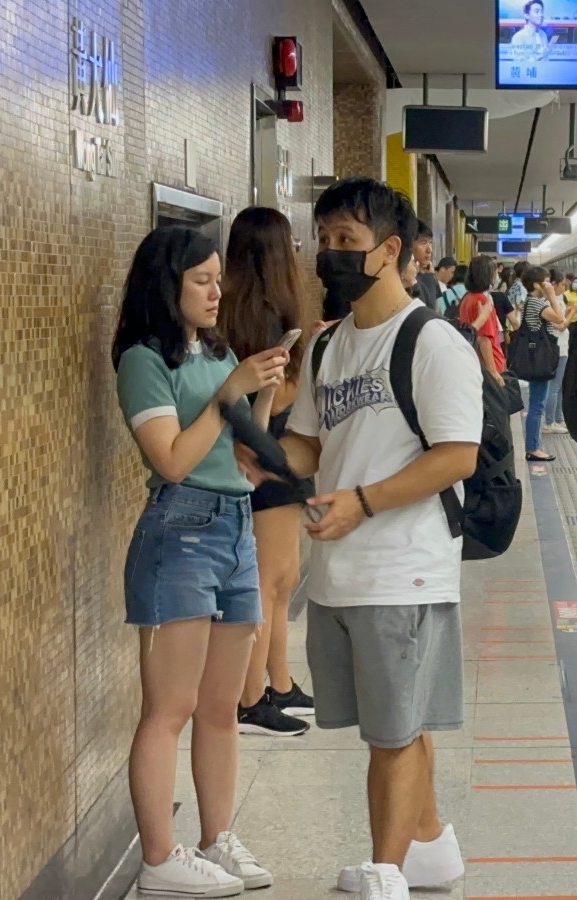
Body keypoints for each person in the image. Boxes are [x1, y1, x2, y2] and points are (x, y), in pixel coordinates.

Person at [271, 178, 481, 899]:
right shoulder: (329, 345)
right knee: (399, 722)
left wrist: (362, 502)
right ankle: (429, 848)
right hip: (340, 568)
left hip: (404, 567)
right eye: (324, 239)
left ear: (390, 251)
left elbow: (457, 455)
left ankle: (386, 872)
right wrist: (265, 456)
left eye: (347, 242)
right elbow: (309, 444)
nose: (329, 253)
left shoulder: (431, 341)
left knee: (391, 735)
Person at [113, 226, 289, 896]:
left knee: (221, 705)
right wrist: (227, 395)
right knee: (171, 706)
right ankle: (159, 858)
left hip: (236, 526)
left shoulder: (216, 352)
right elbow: (172, 460)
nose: (217, 293)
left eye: (219, 279)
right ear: (169, 285)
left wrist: (262, 388)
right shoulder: (143, 361)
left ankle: (218, 839)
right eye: (202, 281)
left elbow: (245, 455)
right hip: (179, 531)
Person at [217, 207, 315, 739]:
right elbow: (278, 397)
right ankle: (252, 696)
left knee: (277, 581)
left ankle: (277, 682)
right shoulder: (270, 317)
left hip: (259, 455)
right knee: (271, 583)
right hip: (270, 456)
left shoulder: (227, 313)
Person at [520, 266, 568, 462]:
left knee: (536, 403)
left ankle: (534, 446)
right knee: (537, 404)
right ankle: (533, 448)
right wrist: (552, 296)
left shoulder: (532, 302)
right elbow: (559, 318)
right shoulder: (536, 303)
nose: (549, 284)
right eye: (546, 281)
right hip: (540, 359)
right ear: (536, 284)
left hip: (536, 358)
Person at [460, 255, 507, 382]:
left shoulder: (467, 298)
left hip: (476, 363)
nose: (497, 276)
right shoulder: (482, 301)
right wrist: (493, 372)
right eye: (495, 272)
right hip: (490, 366)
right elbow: (484, 339)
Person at [544, 270, 577, 434]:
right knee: (554, 387)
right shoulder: (549, 302)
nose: (565, 287)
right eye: (563, 284)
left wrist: (568, 310)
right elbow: (561, 325)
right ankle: (549, 421)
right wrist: (573, 312)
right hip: (557, 347)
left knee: (558, 386)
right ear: (554, 284)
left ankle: (558, 418)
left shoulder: (557, 300)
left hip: (561, 347)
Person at [410, 222, 441, 310]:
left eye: (430, 242)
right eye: (423, 243)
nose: (429, 250)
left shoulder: (430, 276)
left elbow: (435, 310)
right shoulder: (404, 279)